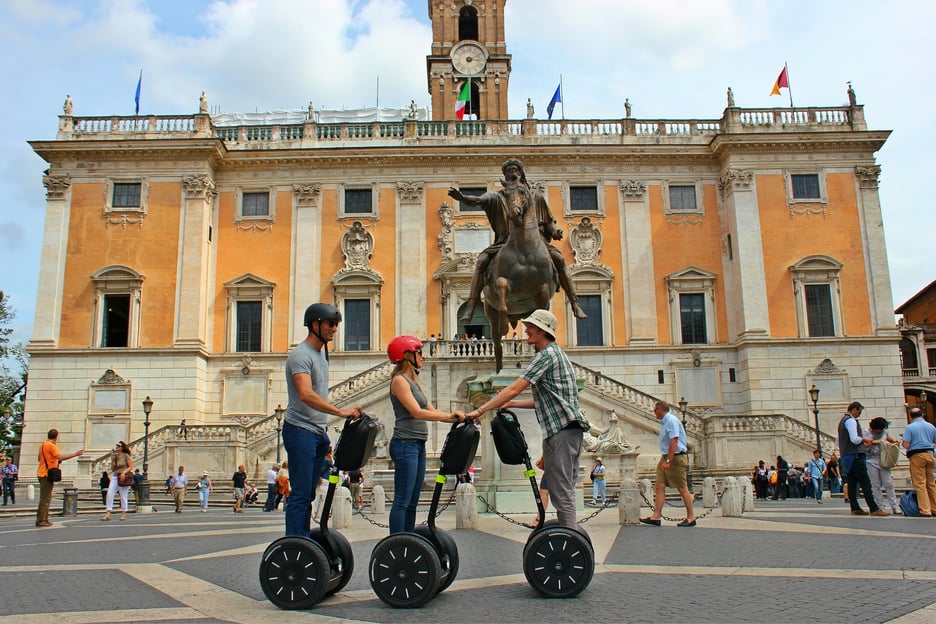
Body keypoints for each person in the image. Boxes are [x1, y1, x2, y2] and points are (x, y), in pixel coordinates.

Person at [465, 309, 588, 529]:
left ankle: (571, 539)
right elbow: (549, 401)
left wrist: (480, 410)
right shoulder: (556, 354)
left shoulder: (546, 355)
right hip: (565, 431)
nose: (526, 330)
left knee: (561, 491)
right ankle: (570, 537)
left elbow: (514, 388)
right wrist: (512, 404)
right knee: (562, 487)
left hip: (562, 433)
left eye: (530, 327)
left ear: (542, 330)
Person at [448, 159, 587, 322]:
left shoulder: (535, 196)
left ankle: (574, 302)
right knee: (481, 261)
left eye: (514, 169)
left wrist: (555, 231)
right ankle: (471, 306)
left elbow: (548, 221)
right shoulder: (499, 197)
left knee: (560, 259)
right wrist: (463, 198)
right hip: (504, 242)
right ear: (504, 176)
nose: (511, 172)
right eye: (507, 170)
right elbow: (478, 200)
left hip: (536, 243)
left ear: (521, 173)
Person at [283, 303, 362, 537]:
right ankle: (296, 542)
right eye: (330, 324)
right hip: (299, 430)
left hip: (317, 432)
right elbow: (306, 394)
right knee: (300, 493)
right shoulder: (300, 356)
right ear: (315, 324)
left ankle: (303, 540)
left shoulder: (321, 355)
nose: (335, 329)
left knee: (309, 492)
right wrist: (340, 412)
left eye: (336, 324)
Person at [386, 335, 465, 534]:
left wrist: (456, 418)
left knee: (413, 499)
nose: (423, 356)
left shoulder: (414, 383)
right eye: (419, 352)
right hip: (405, 444)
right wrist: (449, 415)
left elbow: (431, 410)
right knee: (403, 499)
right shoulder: (399, 381)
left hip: (418, 444)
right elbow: (417, 412)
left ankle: (408, 538)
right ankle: (396, 540)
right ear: (406, 355)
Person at [640, 401, 696, 527]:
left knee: (682, 488)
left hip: (675, 458)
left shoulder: (671, 421)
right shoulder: (665, 422)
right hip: (665, 456)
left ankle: (691, 517)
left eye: (655, 410)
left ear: (660, 409)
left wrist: (669, 461)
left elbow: (674, 441)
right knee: (659, 486)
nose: (654, 412)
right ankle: (656, 516)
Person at [837, 402, 889, 516]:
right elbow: (854, 439)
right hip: (855, 455)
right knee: (865, 482)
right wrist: (864, 440)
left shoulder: (842, 421)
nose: (859, 414)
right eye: (859, 412)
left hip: (846, 455)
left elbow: (839, 440)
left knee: (852, 482)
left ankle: (854, 507)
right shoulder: (850, 421)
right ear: (854, 409)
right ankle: (874, 508)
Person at [35, 429, 84, 527]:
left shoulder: (43, 445)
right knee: (45, 499)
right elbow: (60, 457)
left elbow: (39, 459)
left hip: (42, 472)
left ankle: (43, 518)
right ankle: (42, 520)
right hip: (47, 474)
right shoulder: (52, 446)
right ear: (56, 436)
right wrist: (75, 454)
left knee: (45, 498)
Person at [901, 407, 936, 517]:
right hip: (930, 455)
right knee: (931, 483)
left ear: (910, 416)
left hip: (917, 456)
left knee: (920, 483)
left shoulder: (910, 427)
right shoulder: (931, 426)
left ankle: (925, 509)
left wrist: (902, 442)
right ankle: (934, 507)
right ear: (922, 415)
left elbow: (906, 444)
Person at [866, 416, 900, 514]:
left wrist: (895, 441)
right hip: (870, 459)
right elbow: (864, 445)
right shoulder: (866, 433)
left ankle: (894, 506)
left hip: (883, 460)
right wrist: (874, 442)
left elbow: (890, 439)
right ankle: (881, 506)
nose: (879, 431)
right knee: (875, 484)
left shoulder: (884, 433)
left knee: (888, 483)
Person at [102, 441, 133, 521]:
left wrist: (124, 472)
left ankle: (123, 513)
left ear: (122, 448)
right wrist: (113, 459)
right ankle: (108, 513)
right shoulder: (115, 456)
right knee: (109, 494)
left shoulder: (126, 455)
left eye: (118, 446)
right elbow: (113, 469)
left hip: (123, 476)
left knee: (123, 496)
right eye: (116, 445)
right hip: (115, 476)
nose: (116, 447)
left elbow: (130, 466)